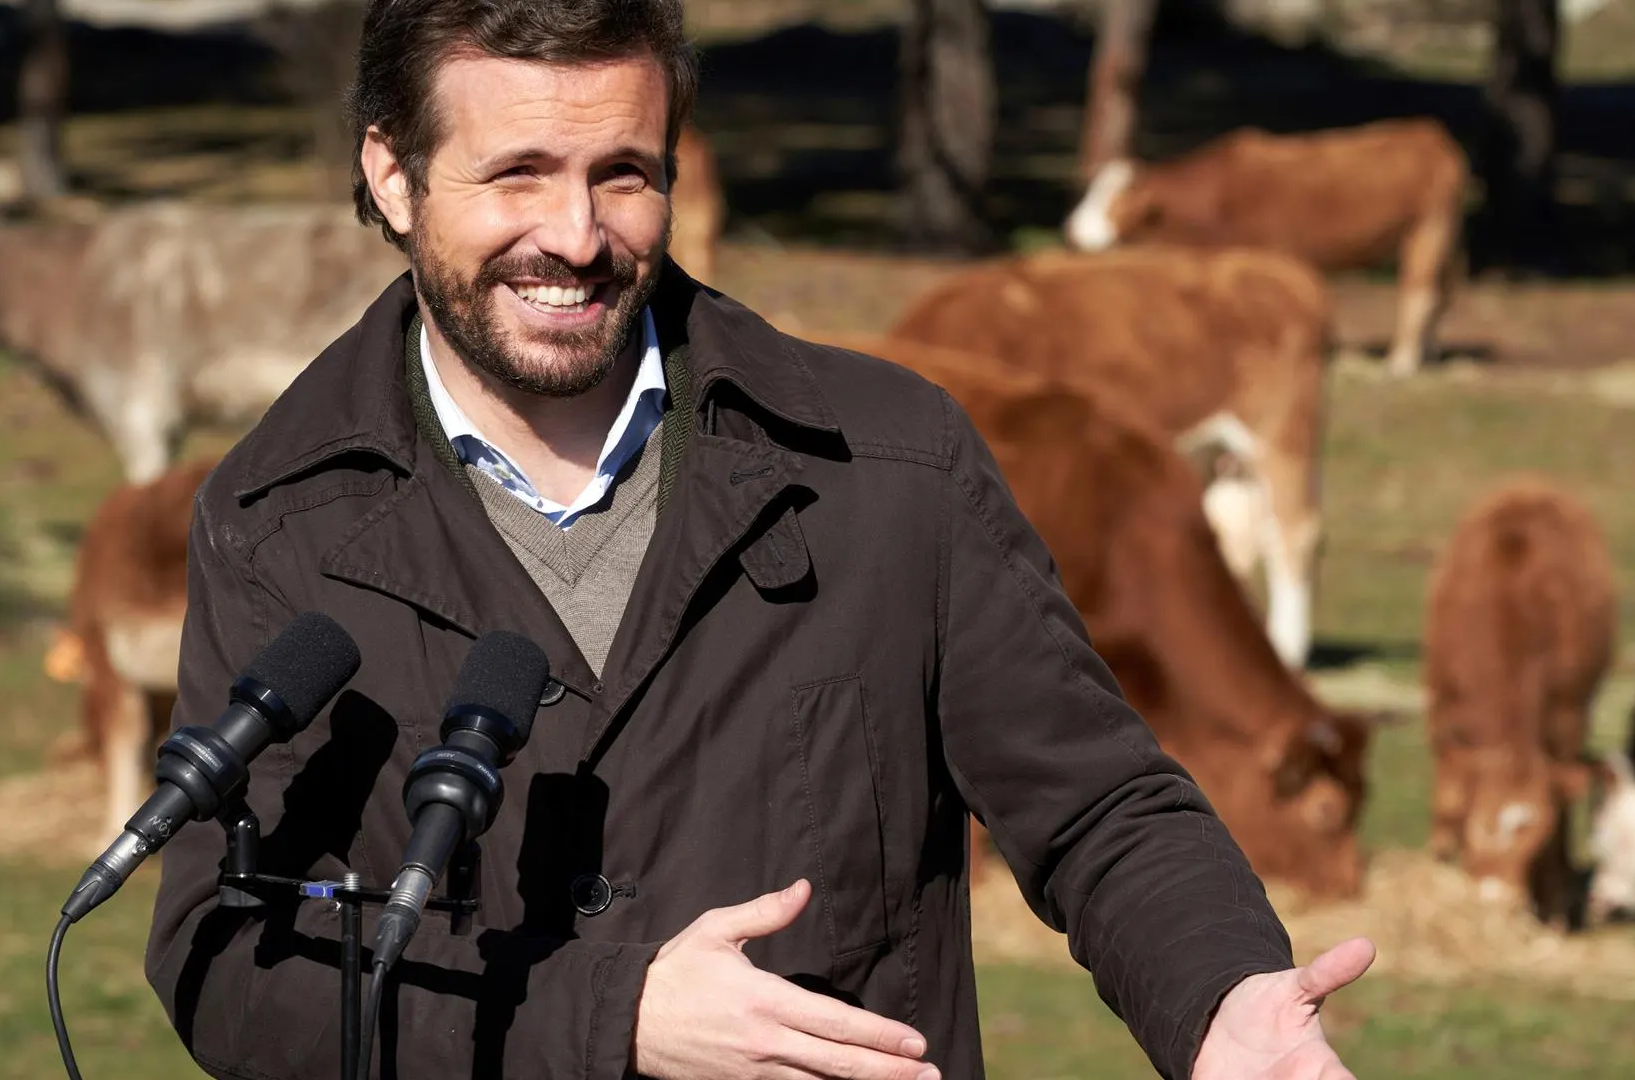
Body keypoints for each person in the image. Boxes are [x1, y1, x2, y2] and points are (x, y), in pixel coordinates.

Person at [143, 1, 1376, 1077]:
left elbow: (1099, 805)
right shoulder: (275, 522)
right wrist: (607, 1017)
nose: (576, 235)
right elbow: (229, 965)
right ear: (394, 175)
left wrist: (1220, 1001)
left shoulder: (890, 467)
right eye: (517, 172)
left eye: (623, 173)